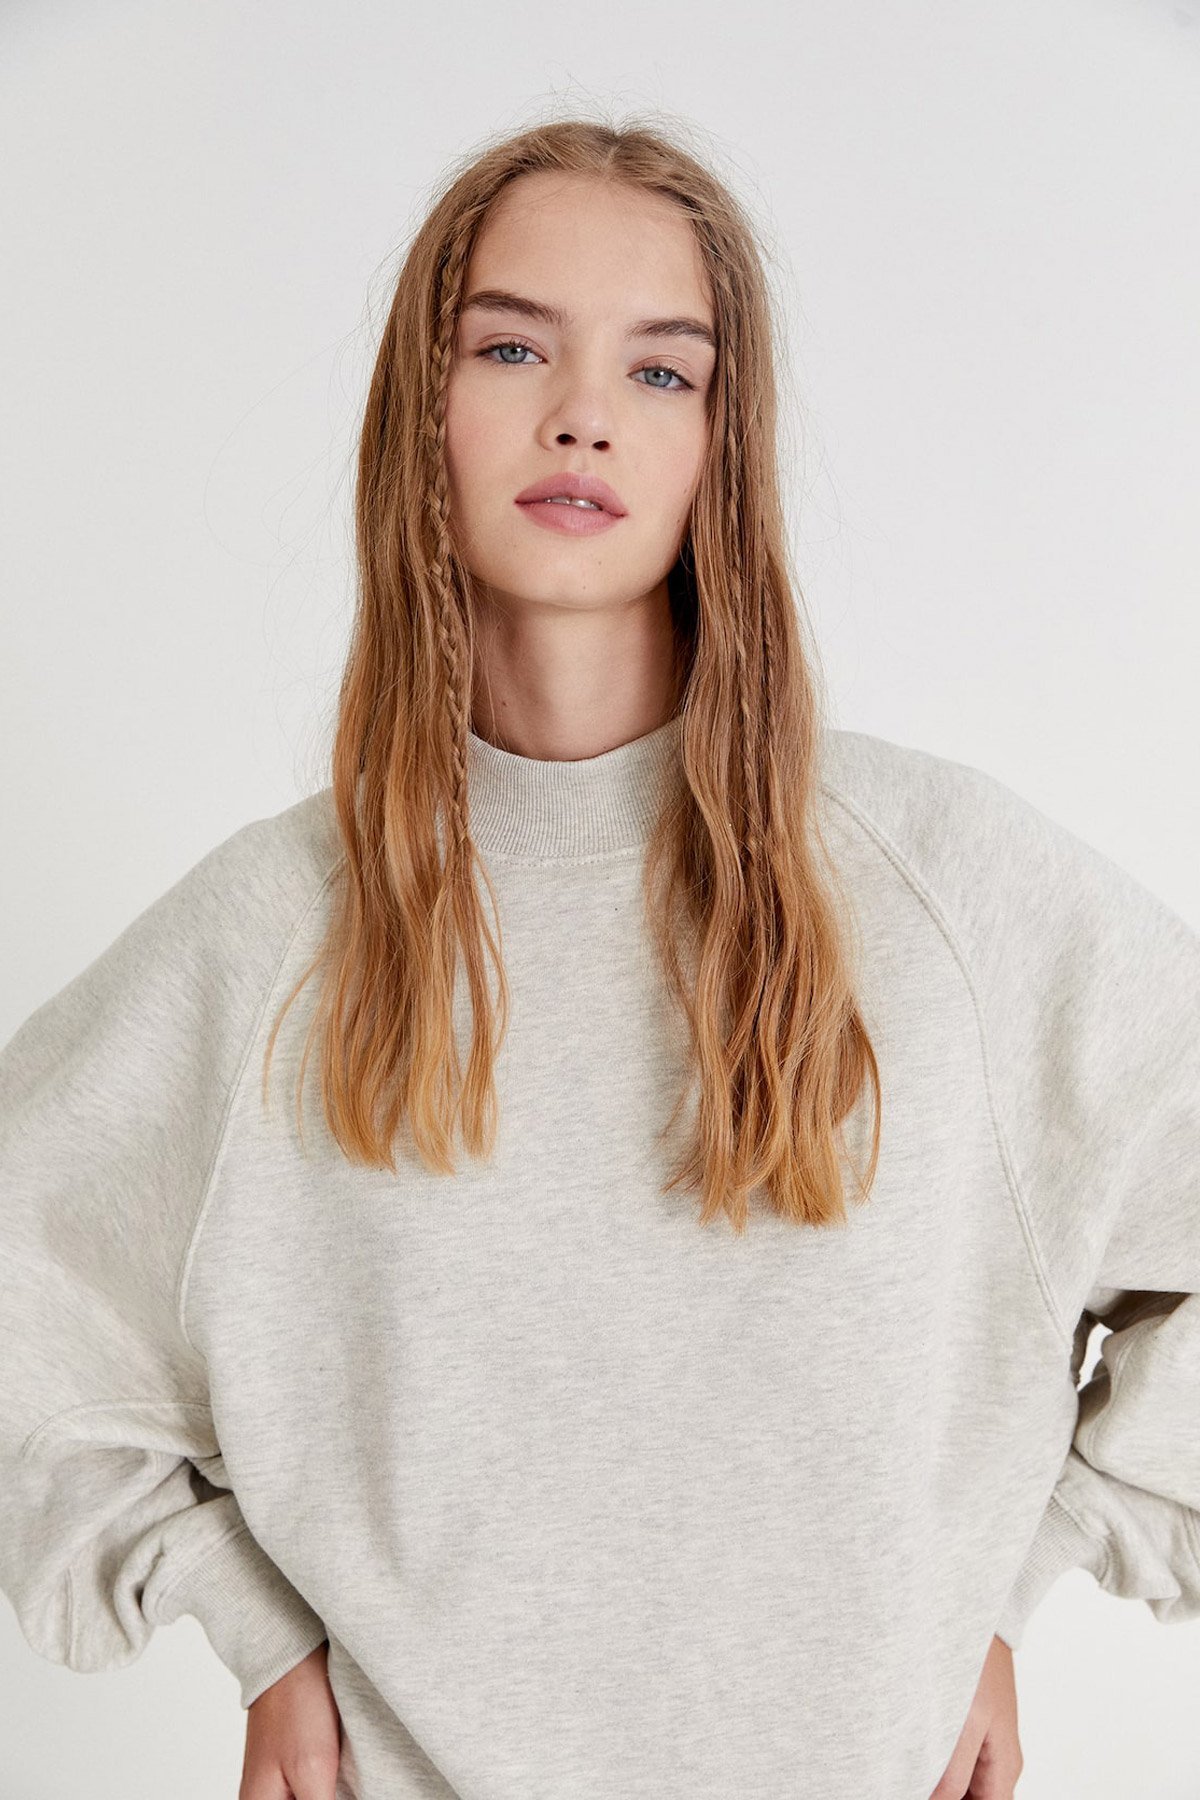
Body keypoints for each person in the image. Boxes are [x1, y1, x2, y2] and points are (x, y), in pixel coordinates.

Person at [1, 114, 1197, 1800]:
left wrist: (1013, 1578)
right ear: (421, 412)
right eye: (511, 347)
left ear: (723, 442)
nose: (582, 414)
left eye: (660, 371)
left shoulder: (945, 897)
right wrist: (250, 1626)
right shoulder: (269, 938)